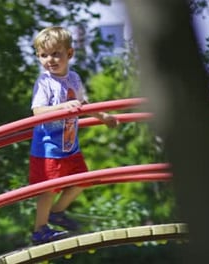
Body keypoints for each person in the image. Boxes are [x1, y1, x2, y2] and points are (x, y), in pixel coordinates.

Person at [29, 26, 119, 245]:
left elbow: (83, 104)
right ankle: (40, 230)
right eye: (44, 55)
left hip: (70, 145)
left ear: (69, 54)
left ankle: (56, 213)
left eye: (55, 54)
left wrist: (103, 116)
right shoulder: (44, 82)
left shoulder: (74, 78)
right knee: (48, 190)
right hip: (49, 148)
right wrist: (61, 107)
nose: (49, 60)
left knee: (82, 181)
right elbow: (37, 112)